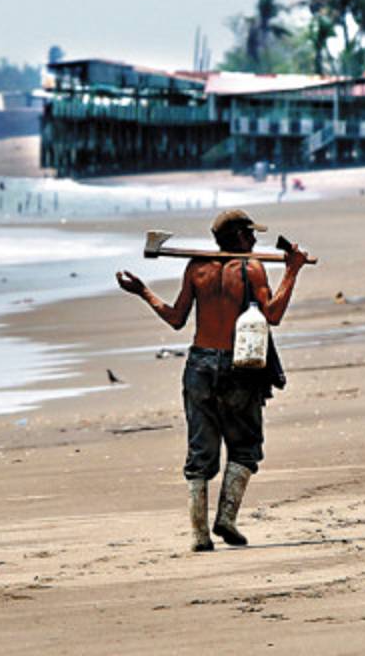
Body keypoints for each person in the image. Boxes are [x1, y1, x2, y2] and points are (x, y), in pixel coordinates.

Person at [115, 209, 310, 552]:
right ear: (237, 237)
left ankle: (200, 534)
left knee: (200, 452)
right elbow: (273, 316)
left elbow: (176, 319)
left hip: (199, 365)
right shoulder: (252, 269)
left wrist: (144, 292)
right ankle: (227, 519)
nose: (253, 241)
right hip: (239, 367)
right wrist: (292, 272)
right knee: (245, 446)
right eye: (249, 235)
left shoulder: (196, 268)